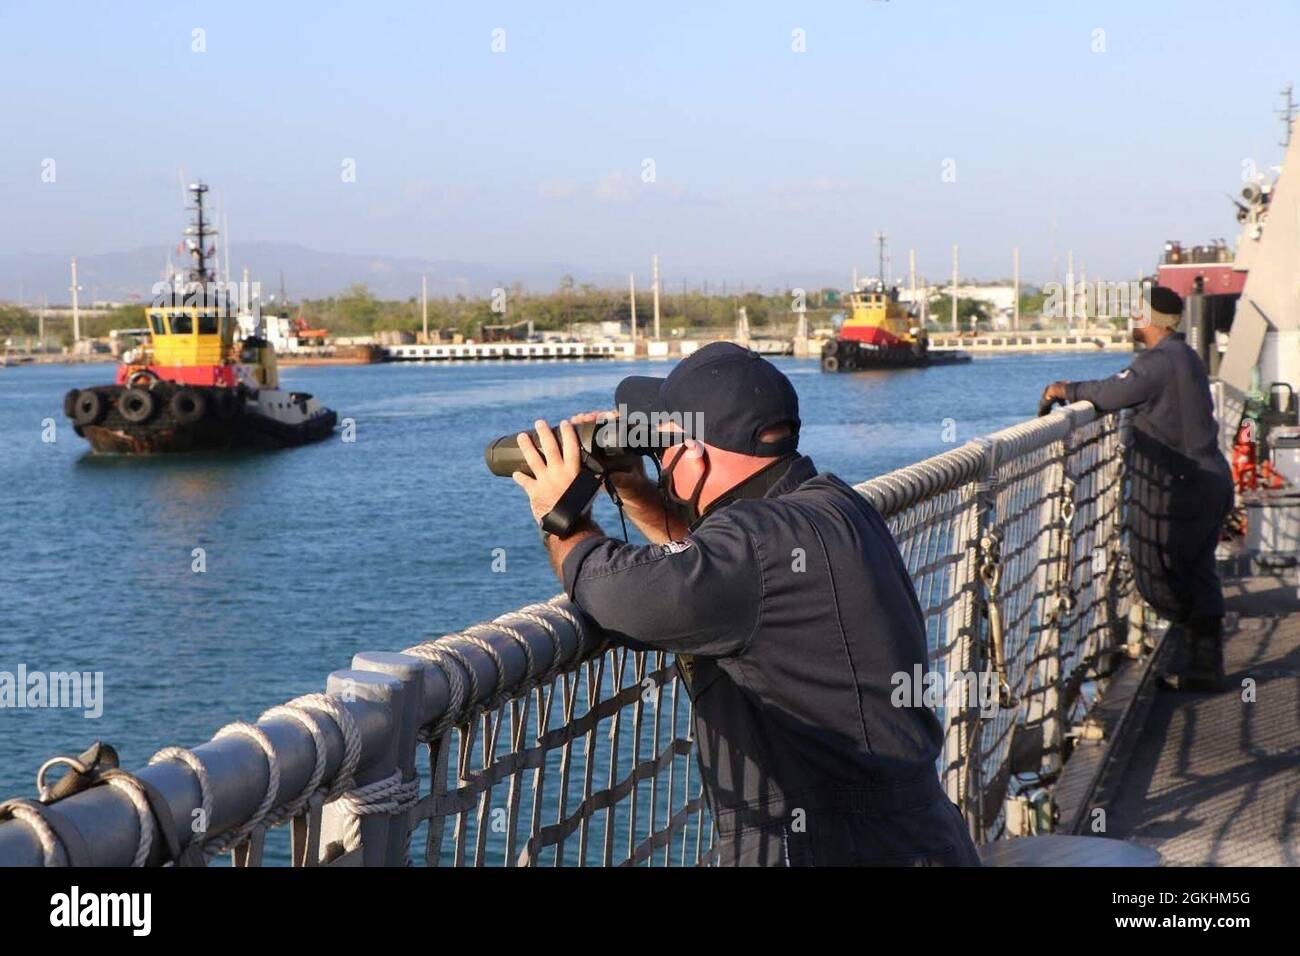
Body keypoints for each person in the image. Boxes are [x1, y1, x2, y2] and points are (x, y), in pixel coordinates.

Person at [511, 342, 980, 866]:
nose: (660, 465)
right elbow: (716, 567)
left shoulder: (755, 543)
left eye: (663, 454)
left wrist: (562, 513)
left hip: (829, 848)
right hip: (917, 837)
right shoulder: (837, 505)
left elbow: (609, 590)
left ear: (696, 456)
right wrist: (638, 491)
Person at [1040, 285, 1233, 691]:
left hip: (1181, 489)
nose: (1133, 318)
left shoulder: (1160, 361)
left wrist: (1065, 390)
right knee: (1197, 570)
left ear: (1151, 320)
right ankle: (1204, 664)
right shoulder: (1185, 357)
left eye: (1137, 312)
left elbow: (1114, 391)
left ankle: (1194, 646)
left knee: (1153, 570)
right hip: (1208, 480)